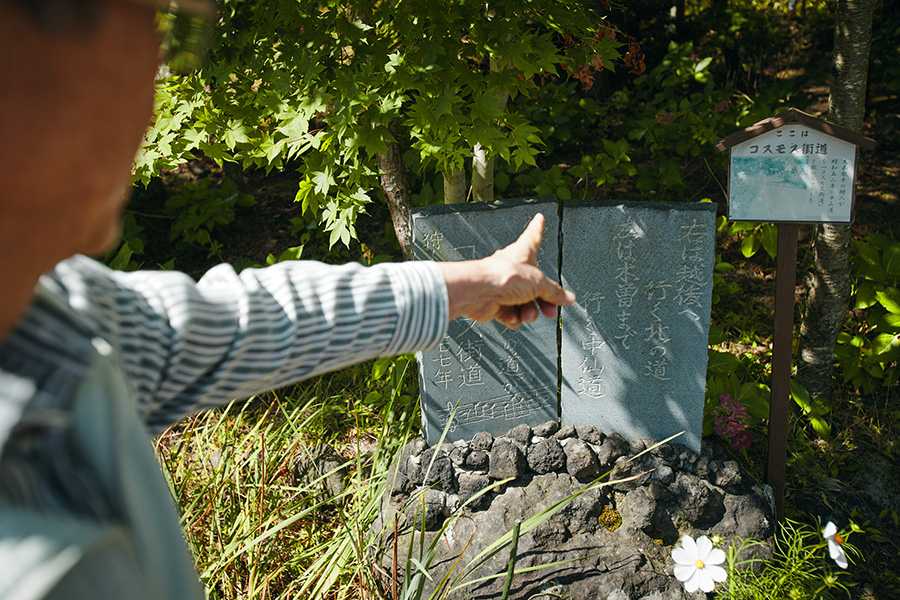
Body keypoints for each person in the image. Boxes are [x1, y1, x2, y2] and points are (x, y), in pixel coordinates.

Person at [0, 0, 575, 598]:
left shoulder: (59, 316)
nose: (158, 86)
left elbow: (239, 322)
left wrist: (475, 282)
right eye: (166, 22)